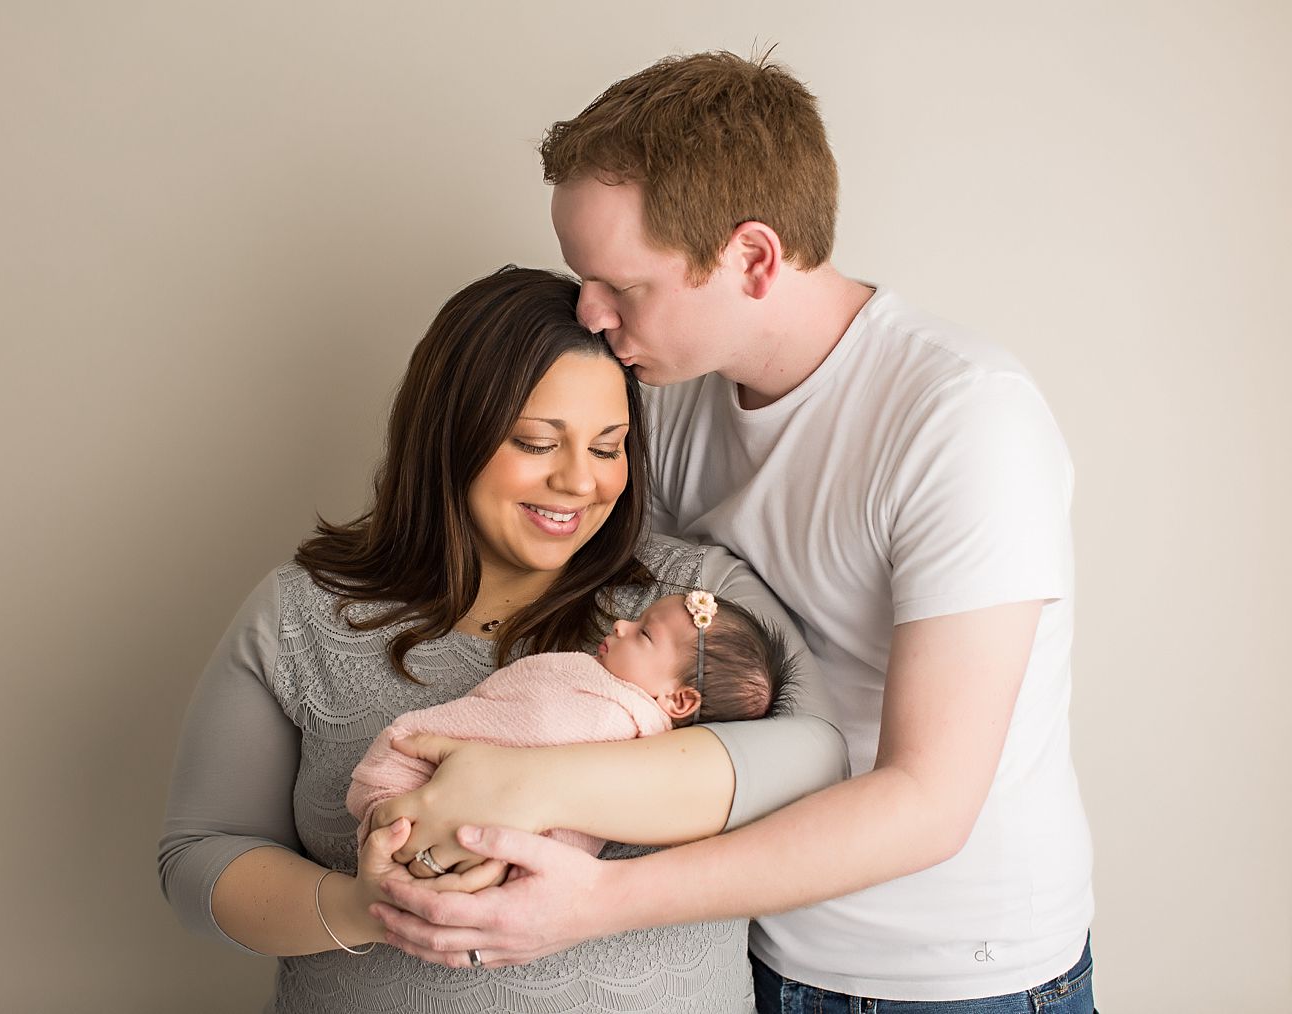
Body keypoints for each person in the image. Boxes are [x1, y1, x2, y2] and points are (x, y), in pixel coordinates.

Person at [367, 53, 1096, 1011]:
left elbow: (927, 802)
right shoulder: (664, 400)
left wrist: (595, 902)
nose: (588, 312)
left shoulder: (961, 419)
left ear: (753, 258)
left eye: (621, 286)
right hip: (739, 945)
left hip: (947, 974)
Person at [157, 265, 847, 1013]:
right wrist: (370, 907)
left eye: (608, 447)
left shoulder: (691, 601)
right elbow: (201, 860)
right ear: (452, 436)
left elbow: (815, 757)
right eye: (536, 441)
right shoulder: (302, 615)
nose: (580, 483)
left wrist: (522, 788)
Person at [348, 591, 800, 858]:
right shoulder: (605, 692)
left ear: (679, 699)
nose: (621, 624)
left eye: (644, 633)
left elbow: (535, 727)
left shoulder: (614, 718)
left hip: (443, 790)